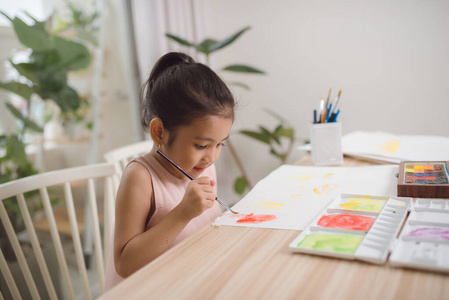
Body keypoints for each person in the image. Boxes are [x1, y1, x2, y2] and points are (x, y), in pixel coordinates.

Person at [105, 52, 235, 290]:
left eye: (220, 144)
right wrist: (183, 213)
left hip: (189, 280)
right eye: (201, 145)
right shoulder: (140, 177)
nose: (212, 156)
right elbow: (124, 264)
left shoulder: (204, 167)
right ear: (159, 132)